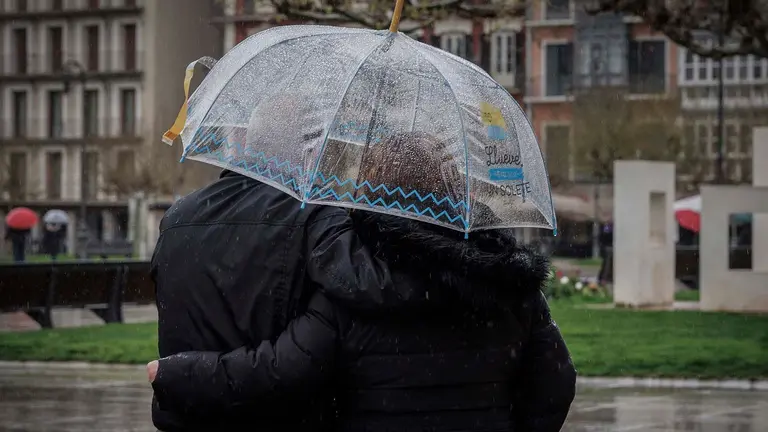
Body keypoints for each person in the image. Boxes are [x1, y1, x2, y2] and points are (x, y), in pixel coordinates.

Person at [148, 132, 577, 432]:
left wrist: (178, 374)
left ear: (372, 193)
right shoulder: (510, 284)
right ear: (453, 188)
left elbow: (279, 372)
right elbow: (555, 383)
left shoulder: (353, 289)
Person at [149, 128, 421, 431]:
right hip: (278, 413)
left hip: (189, 410)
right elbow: (364, 285)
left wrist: (179, 375)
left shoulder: (177, 217)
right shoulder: (314, 216)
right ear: (302, 152)